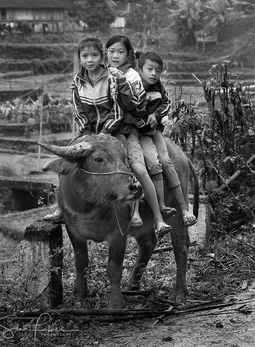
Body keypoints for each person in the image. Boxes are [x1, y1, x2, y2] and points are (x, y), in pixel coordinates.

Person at [44, 36, 125, 222]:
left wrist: (104, 133)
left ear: (102, 57)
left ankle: (133, 199)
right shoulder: (77, 81)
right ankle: (61, 205)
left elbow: (117, 109)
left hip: (111, 130)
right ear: (79, 58)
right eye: (85, 56)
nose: (90, 60)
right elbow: (77, 108)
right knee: (66, 160)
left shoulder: (112, 78)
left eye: (94, 55)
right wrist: (87, 132)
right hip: (88, 132)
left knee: (125, 158)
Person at [106, 34, 175, 238]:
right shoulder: (101, 74)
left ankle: (158, 215)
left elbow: (135, 108)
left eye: (120, 51)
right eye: (111, 51)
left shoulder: (132, 77)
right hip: (105, 129)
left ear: (129, 55)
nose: (115, 55)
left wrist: (122, 83)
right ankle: (65, 210)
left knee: (144, 167)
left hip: (128, 130)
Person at [136, 51, 197, 227]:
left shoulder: (158, 87)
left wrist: (155, 114)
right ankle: (156, 206)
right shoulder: (132, 84)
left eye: (158, 70)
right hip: (136, 132)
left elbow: (165, 103)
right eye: (150, 69)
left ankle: (184, 208)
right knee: (151, 164)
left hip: (153, 132)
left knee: (165, 161)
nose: (154, 73)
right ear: (140, 69)